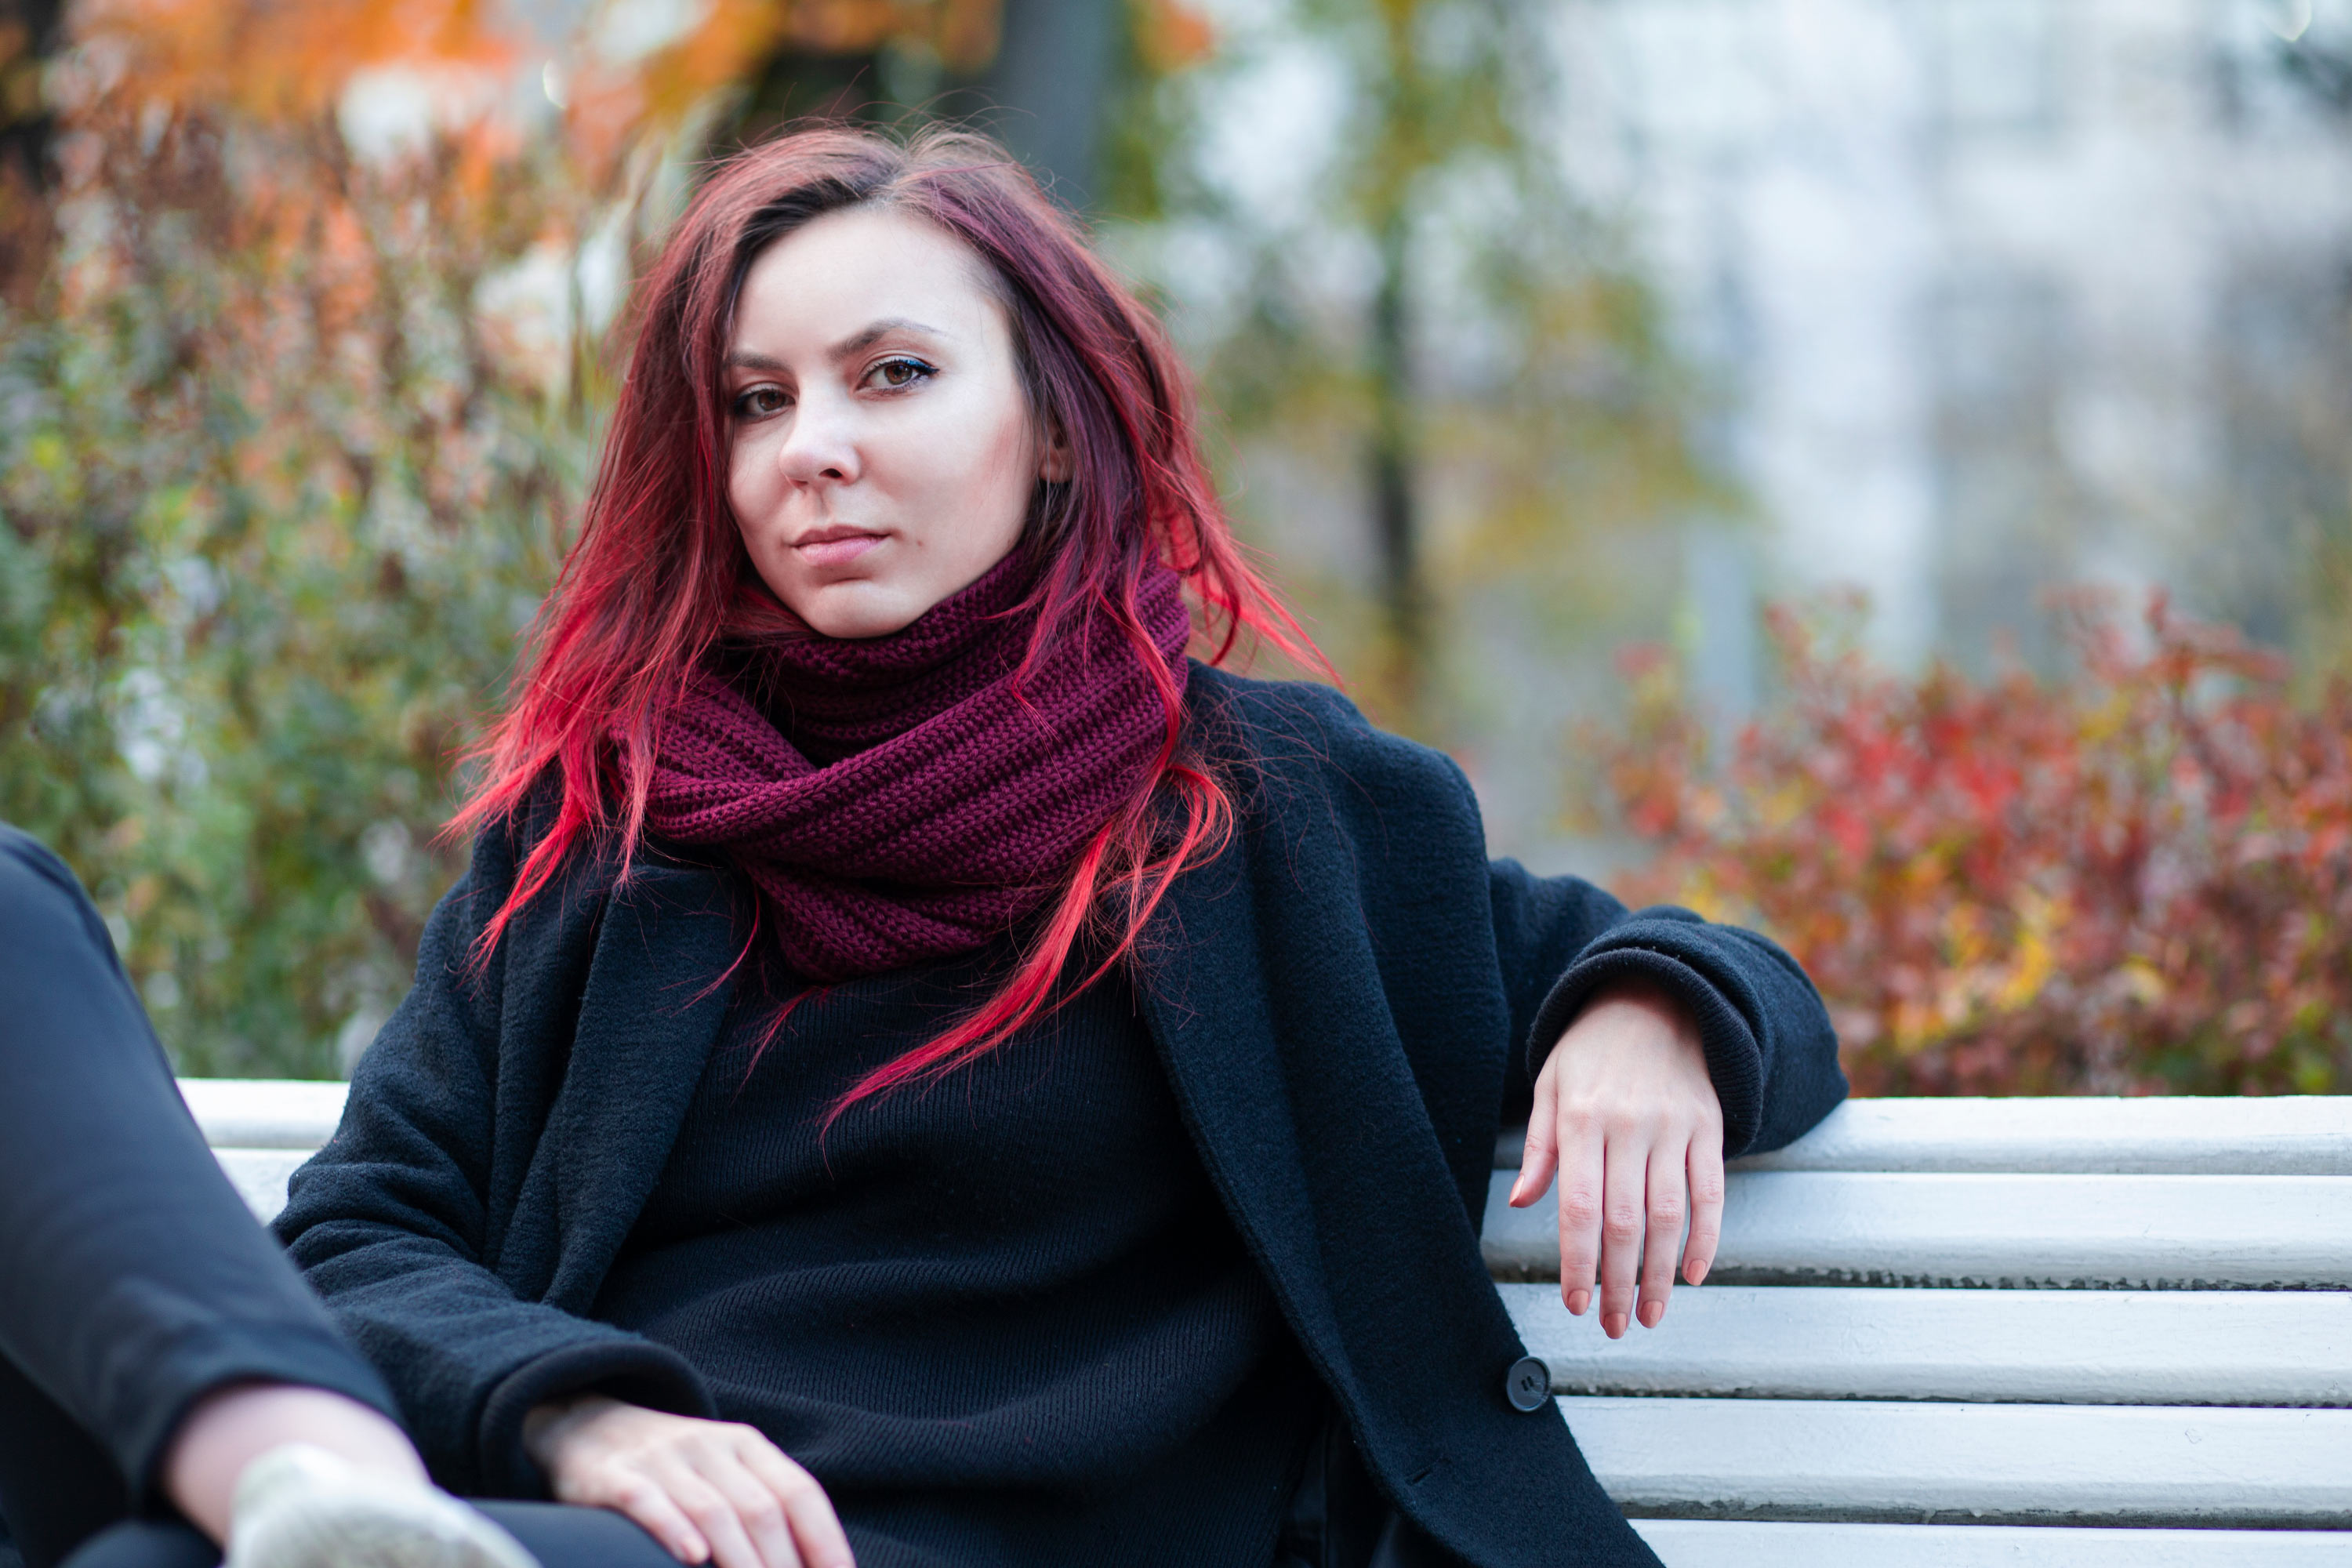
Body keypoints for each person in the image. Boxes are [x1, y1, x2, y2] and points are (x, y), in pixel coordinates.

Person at [249, 123, 1850, 1568]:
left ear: (1058, 428)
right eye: (758, 401)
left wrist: (1649, 1011)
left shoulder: (1275, 814)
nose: (812, 447)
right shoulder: (608, 832)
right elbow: (356, 1231)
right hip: (645, 1531)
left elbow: (1737, 983)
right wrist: (582, 1418)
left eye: (893, 375)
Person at [0, 822, 695, 1568]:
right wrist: (559, 1411)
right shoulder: (582, 838)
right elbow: (355, 1228)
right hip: (454, 1456)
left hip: (748, 1522)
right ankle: (326, 1489)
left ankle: (329, 1501)